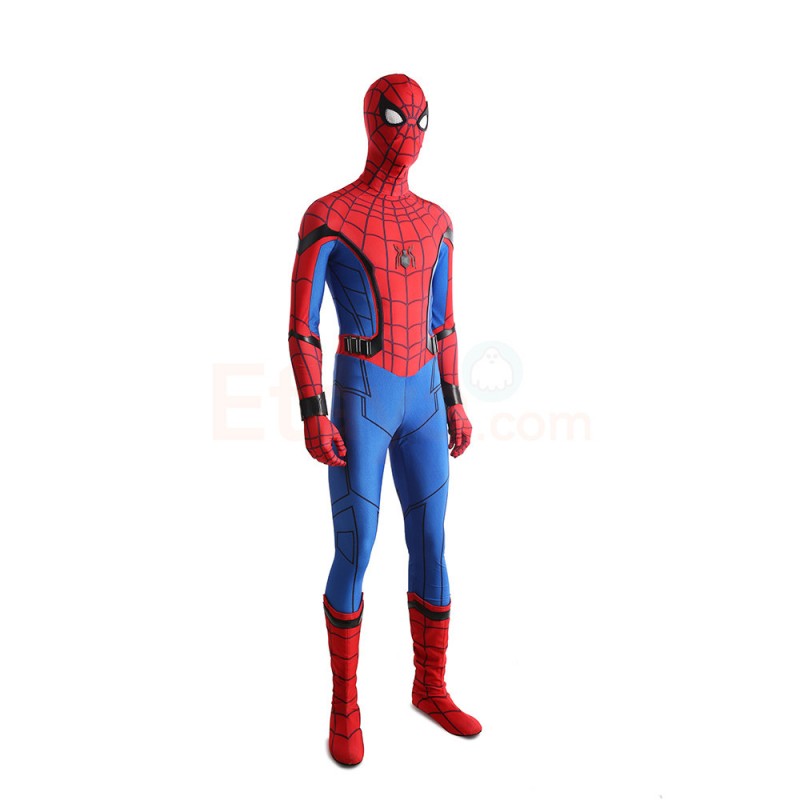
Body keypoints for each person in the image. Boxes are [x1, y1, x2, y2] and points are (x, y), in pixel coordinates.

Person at [287, 74, 481, 766]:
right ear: (371, 120)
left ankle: (431, 686)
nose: (411, 135)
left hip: (423, 395)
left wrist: (454, 399)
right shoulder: (329, 215)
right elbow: (302, 328)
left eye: (422, 121)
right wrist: (313, 412)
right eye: (398, 119)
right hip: (363, 394)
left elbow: (444, 321)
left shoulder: (437, 222)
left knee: (432, 539)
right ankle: (344, 706)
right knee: (357, 545)